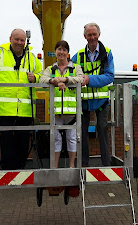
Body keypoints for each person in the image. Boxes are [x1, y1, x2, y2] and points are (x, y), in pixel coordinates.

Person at [0, 29, 42, 170]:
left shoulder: (31, 57)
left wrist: (35, 77)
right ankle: (7, 171)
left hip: (25, 111)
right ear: (10, 38)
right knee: (6, 142)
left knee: (23, 143)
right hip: (4, 110)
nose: (19, 42)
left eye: (22, 40)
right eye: (16, 39)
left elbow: (42, 74)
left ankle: (20, 171)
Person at [71, 22, 114, 167]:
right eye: (89, 35)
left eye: (94, 34)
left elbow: (109, 76)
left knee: (102, 130)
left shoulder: (107, 53)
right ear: (85, 37)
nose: (92, 37)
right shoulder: (78, 56)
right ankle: (83, 166)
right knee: (81, 134)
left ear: (99, 35)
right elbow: (70, 73)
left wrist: (89, 79)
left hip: (101, 101)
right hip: (83, 102)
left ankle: (106, 166)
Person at [40, 40, 84, 168]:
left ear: (68, 53)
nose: (61, 52)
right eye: (59, 49)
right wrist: (53, 80)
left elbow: (81, 79)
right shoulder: (50, 69)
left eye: (64, 50)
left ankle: (71, 166)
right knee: (56, 139)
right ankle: (54, 166)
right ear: (55, 52)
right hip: (56, 112)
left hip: (72, 112)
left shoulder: (76, 68)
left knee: (72, 139)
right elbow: (42, 80)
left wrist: (65, 79)